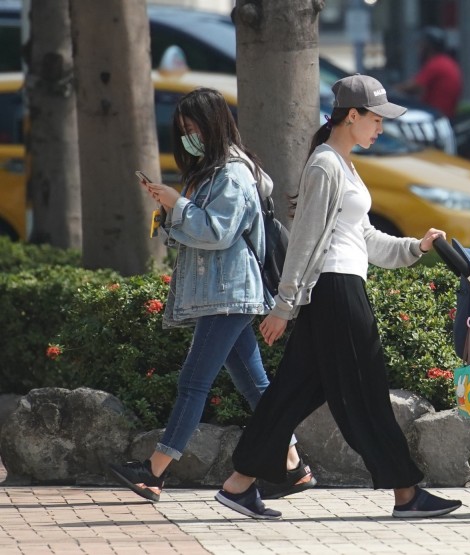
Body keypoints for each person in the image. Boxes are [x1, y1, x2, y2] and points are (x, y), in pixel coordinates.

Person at [214, 75, 463, 520]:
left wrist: (415, 248)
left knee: (291, 394)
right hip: (335, 290)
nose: (381, 129)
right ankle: (406, 494)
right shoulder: (325, 166)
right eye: (376, 119)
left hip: (339, 288)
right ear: (352, 116)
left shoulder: (343, 164)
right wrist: (284, 306)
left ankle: (238, 485)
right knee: (365, 393)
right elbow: (306, 240)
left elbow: (362, 237)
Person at [108, 88, 314, 508]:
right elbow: (196, 232)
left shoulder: (233, 174)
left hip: (230, 292)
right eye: (182, 130)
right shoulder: (213, 171)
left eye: (193, 127)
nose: (188, 136)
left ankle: (153, 472)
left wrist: (177, 204)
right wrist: (170, 210)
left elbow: (217, 232)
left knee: (193, 383)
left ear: (214, 123)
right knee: (255, 385)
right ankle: (293, 463)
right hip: (222, 293)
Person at [396, 27, 463, 119]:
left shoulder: (436, 64)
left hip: (435, 115)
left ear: (428, 46)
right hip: (444, 114)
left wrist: (393, 90)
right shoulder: (446, 61)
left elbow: (415, 87)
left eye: (421, 45)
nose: (419, 49)